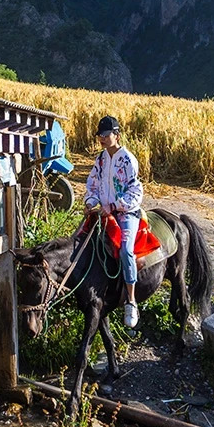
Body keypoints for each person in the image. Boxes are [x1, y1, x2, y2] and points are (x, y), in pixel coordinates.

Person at [84, 115, 143, 328]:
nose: (101, 138)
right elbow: (92, 184)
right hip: (104, 213)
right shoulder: (100, 159)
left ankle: (131, 300)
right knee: (81, 240)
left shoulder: (128, 159)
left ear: (117, 135)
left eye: (106, 135)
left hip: (125, 214)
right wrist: (91, 202)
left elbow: (136, 191)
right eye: (100, 135)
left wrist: (115, 205)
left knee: (126, 250)